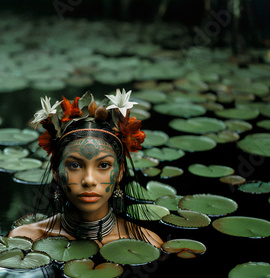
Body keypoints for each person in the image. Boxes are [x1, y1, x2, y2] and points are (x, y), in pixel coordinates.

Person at [8, 89, 163, 248]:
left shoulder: (147, 243)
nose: (89, 180)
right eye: (74, 165)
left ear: (120, 172)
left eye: (103, 165)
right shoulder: (25, 239)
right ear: (56, 170)